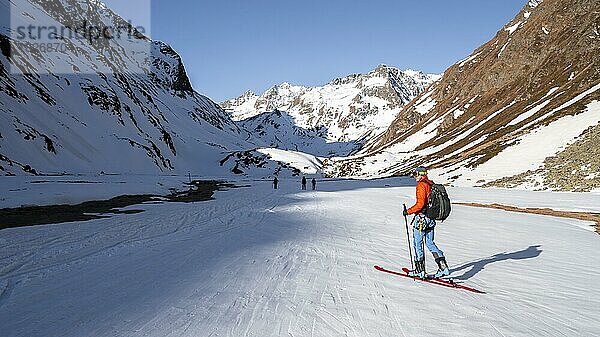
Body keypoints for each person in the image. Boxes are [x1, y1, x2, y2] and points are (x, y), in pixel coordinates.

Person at [403, 166, 449, 278]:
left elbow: (420, 204)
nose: (414, 177)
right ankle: (443, 268)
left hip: (421, 220)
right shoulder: (430, 184)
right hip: (431, 219)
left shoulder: (421, 185)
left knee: (417, 244)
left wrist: (408, 211)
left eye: (415, 174)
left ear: (421, 174)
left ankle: (420, 270)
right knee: (430, 243)